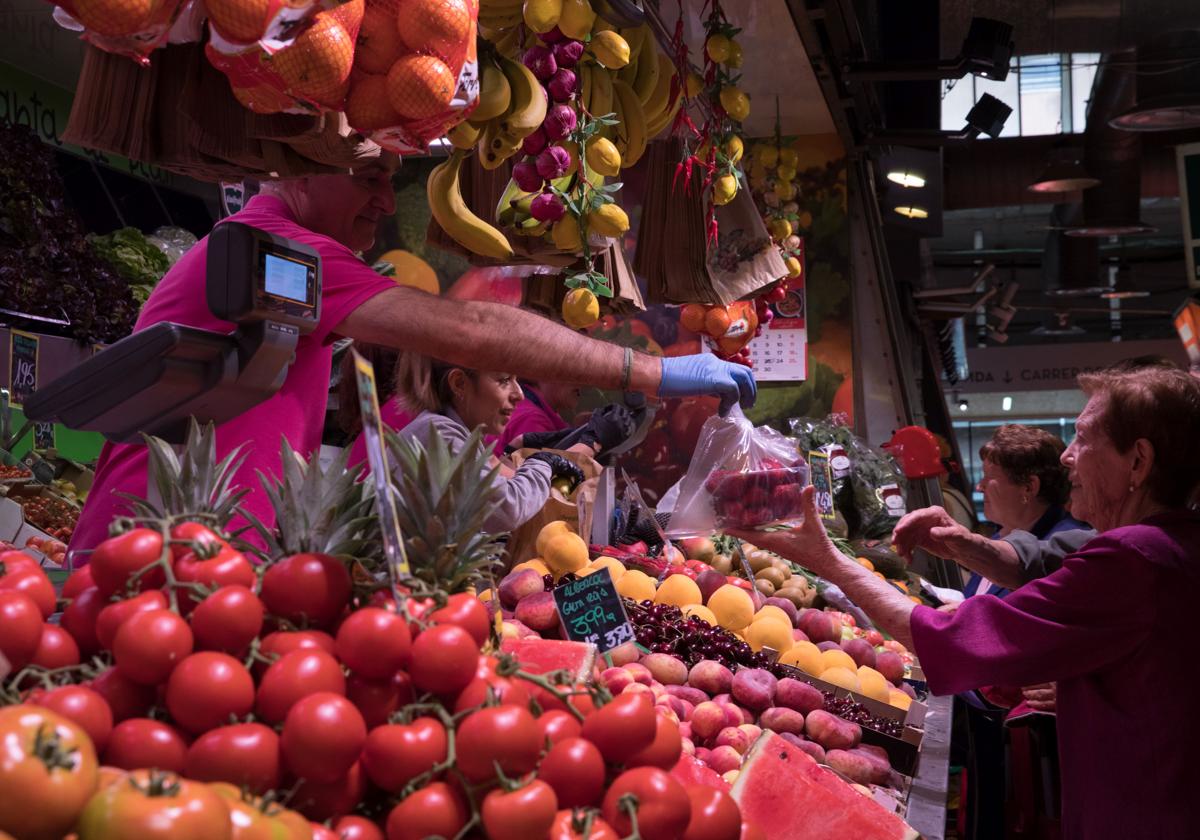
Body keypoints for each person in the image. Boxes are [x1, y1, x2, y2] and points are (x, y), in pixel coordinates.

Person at [69, 156, 755, 554]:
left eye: (389, 178)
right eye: (368, 175)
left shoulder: (286, 263)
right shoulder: (281, 247)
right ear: (299, 170)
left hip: (210, 555)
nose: (381, 199)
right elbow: (480, 330)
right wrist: (658, 371)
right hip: (149, 552)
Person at [735, 365, 1200, 839]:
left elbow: (953, 638)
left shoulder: (1134, 560)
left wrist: (828, 560)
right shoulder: (1172, 545)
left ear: (1138, 462)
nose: (1066, 456)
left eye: (1082, 438)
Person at [392, 353, 615, 533]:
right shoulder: (439, 433)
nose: (519, 394)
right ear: (459, 384)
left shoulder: (458, 433)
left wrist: (520, 447)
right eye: (504, 380)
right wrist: (543, 463)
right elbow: (506, 507)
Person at [496, 379, 578, 452]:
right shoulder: (533, 418)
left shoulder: (528, 406)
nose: (580, 383)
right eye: (571, 375)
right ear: (542, 374)